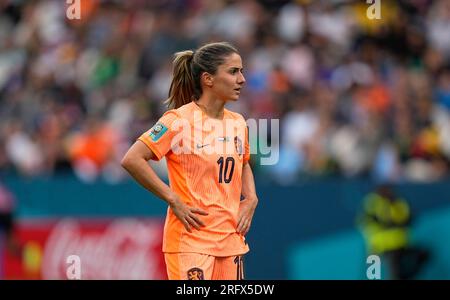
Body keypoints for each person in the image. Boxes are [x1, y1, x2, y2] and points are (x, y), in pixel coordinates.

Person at [121, 42, 258, 280]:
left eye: (242, 71)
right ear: (208, 79)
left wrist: (251, 198)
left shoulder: (237, 122)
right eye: (233, 71)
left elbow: (243, 161)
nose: (242, 79)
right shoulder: (178, 120)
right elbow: (132, 158)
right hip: (191, 240)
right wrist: (172, 198)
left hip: (230, 240)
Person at [357, 184, 429, 279]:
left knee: (421, 256)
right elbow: (364, 222)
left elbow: (408, 219)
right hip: (380, 247)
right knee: (375, 276)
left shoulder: (399, 202)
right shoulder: (372, 203)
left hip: (401, 245)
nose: (388, 191)